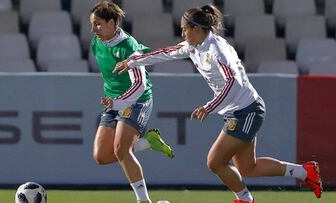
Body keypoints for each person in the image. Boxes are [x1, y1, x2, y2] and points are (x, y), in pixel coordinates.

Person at [114, 4, 322, 203]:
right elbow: (166, 53)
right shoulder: (193, 46)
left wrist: (209, 106)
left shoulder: (217, 50)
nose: (183, 34)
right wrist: (132, 61)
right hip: (238, 111)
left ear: (196, 29)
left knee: (215, 162)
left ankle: (246, 200)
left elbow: (234, 82)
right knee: (248, 168)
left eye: (184, 30)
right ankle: (304, 172)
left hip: (247, 110)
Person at [89, 1, 174, 203]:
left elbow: (140, 85)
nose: (93, 29)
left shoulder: (130, 47)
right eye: (92, 24)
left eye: (98, 24)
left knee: (120, 150)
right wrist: (113, 101)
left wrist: (118, 102)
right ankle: (147, 143)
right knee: (101, 156)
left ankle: (143, 200)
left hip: (137, 102)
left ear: (112, 22)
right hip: (113, 103)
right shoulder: (96, 42)